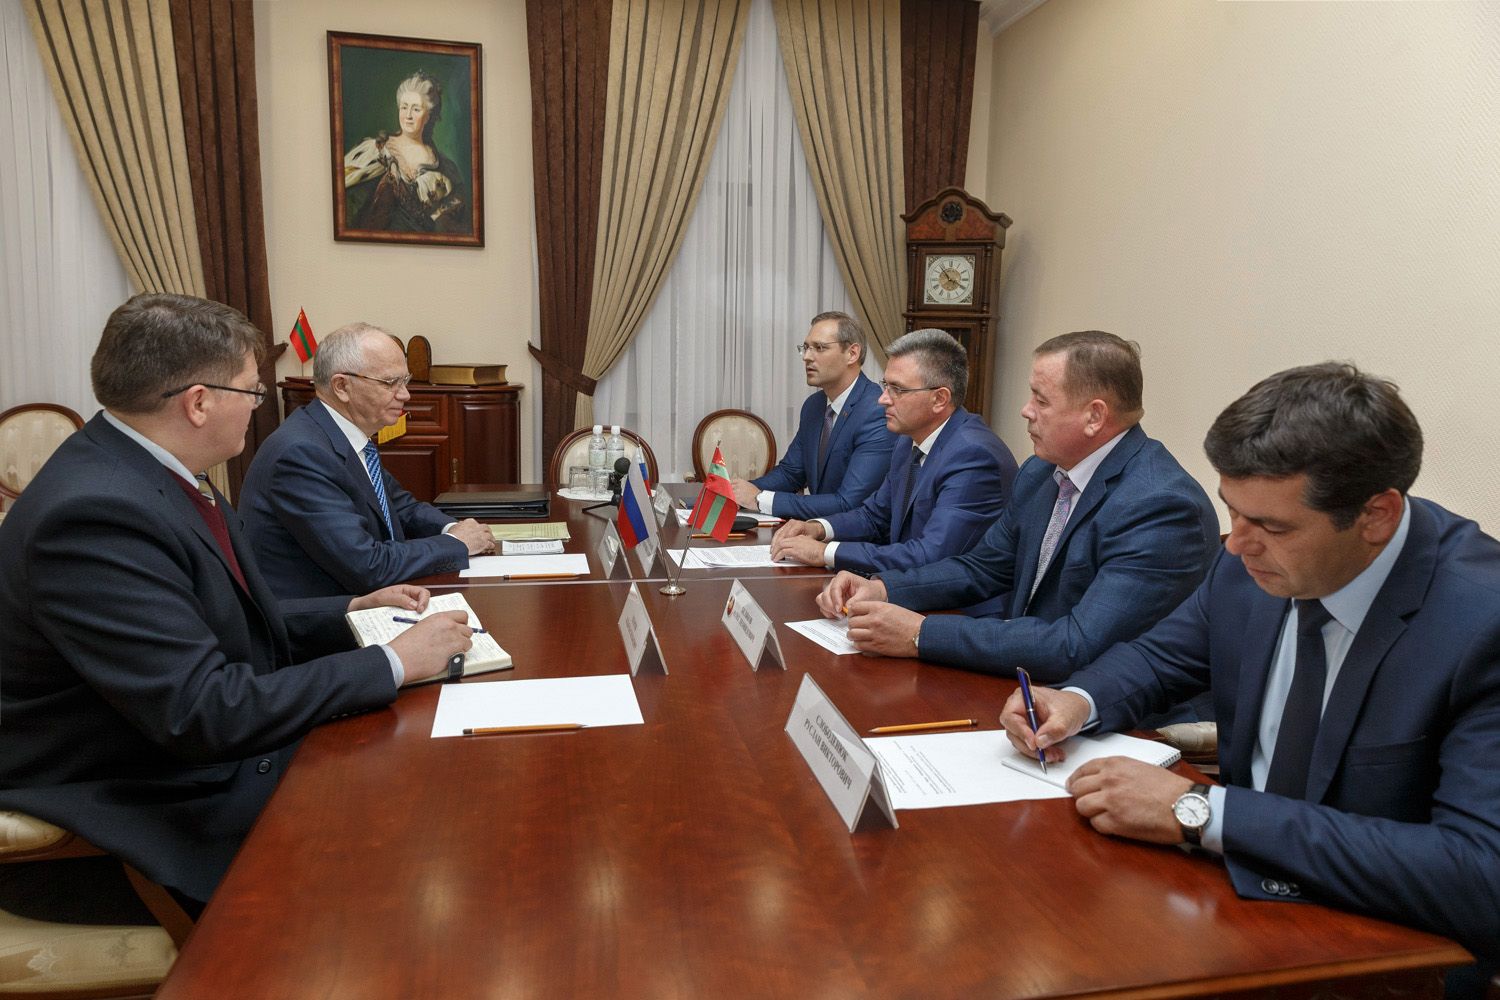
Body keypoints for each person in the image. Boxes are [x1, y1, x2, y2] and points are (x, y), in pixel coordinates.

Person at [1001, 363, 1499, 984]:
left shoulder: (1481, 623)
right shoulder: (1251, 560)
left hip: (1384, 952)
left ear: (1376, 516)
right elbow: (1162, 656)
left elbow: (1480, 873)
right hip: (1226, 900)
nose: (1236, 544)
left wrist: (1201, 812)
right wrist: (1077, 699)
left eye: (1271, 526)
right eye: (1232, 511)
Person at [0, 293, 473, 917]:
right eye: (252, 392)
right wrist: (393, 662)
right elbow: (203, 712)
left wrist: (351, 607)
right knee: (421, 832)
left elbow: (225, 618)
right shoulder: (95, 515)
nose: (258, 407)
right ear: (199, 403)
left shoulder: (158, 471)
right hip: (137, 808)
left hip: (196, 754)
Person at [816, 331, 1220, 685]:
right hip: (1026, 677)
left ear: (1094, 416)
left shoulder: (1160, 506)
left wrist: (921, 634)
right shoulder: (1041, 472)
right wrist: (885, 588)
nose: (1026, 410)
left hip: (1113, 716)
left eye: (1041, 400)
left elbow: (1077, 644)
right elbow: (983, 568)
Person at [239, 322, 495, 599]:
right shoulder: (301, 453)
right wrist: (456, 543)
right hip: (324, 616)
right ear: (342, 386)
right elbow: (367, 565)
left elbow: (401, 507)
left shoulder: (341, 434)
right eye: (390, 383)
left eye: (405, 381)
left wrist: (452, 528)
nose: (405, 394)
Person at [770, 328, 1018, 579]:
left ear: (939, 399)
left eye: (898, 389)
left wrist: (825, 552)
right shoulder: (907, 441)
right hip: (906, 585)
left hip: (958, 600)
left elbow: (930, 555)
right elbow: (874, 516)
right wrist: (819, 528)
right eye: (885, 385)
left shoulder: (973, 456)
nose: (883, 399)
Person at [731, 311, 894, 519]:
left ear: (852, 354)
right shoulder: (814, 406)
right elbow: (791, 473)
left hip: (857, 535)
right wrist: (738, 492)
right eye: (806, 347)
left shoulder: (877, 410)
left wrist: (759, 499)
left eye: (819, 348)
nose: (807, 357)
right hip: (815, 529)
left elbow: (849, 503)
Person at [343, 71, 468, 235]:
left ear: (429, 115)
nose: (408, 116)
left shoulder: (446, 169)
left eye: (416, 109)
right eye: (404, 107)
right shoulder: (374, 150)